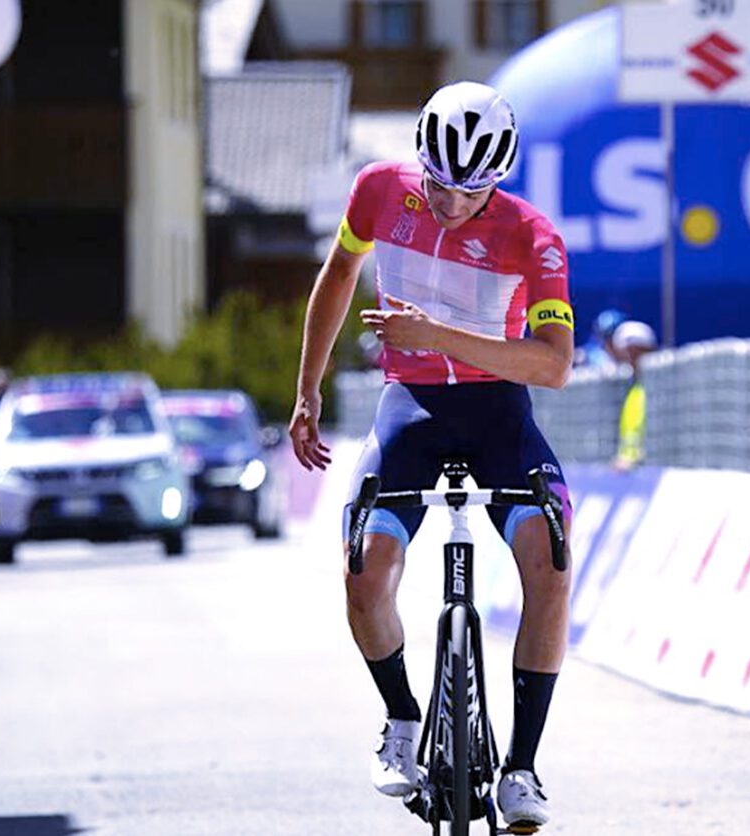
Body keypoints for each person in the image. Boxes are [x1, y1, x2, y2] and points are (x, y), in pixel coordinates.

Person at [287, 81, 573, 830]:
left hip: (497, 412)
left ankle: (521, 768)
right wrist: (307, 388)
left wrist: (436, 335)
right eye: (439, 184)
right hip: (408, 407)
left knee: (550, 561)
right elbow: (338, 274)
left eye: (471, 191)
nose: (450, 203)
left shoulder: (534, 236)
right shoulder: (379, 191)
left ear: (498, 179)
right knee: (363, 568)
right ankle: (403, 720)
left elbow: (554, 364)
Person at [610, 320, 656, 471]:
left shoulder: (657, 390)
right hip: (629, 469)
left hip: (648, 467)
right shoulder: (633, 390)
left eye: (636, 352)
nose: (631, 358)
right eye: (626, 353)